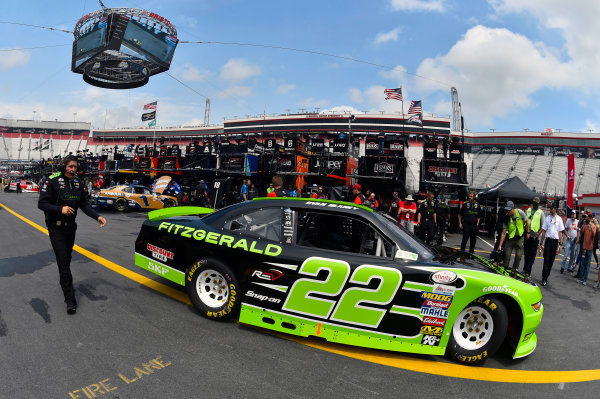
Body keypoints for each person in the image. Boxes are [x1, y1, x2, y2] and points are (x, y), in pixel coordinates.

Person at [38, 155, 107, 314]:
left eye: (75, 167)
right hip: (56, 228)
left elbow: (84, 205)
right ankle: (70, 299)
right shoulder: (52, 180)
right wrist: (60, 209)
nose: (73, 170)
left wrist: (98, 217)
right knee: (63, 263)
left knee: (66, 261)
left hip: (71, 228)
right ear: (64, 166)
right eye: (70, 167)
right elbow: (41, 204)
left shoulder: (78, 182)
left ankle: (64, 281)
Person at [498, 201, 530, 271]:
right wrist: (500, 245)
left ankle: (514, 270)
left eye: (509, 210)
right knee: (507, 254)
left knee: (518, 256)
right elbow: (503, 233)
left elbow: (527, 221)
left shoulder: (520, 212)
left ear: (513, 209)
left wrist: (528, 232)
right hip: (511, 238)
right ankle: (505, 269)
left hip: (519, 238)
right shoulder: (506, 218)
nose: (508, 212)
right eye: (507, 210)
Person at [537, 204, 564, 286]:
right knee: (546, 261)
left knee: (551, 261)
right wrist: (541, 243)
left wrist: (560, 244)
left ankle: (546, 276)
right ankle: (544, 278)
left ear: (555, 209)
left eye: (552, 208)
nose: (550, 210)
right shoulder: (547, 219)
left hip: (555, 242)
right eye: (550, 208)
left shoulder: (559, 219)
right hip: (548, 241)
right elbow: (544, 231)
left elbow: (560, 232)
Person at [523, 197, 545, 276]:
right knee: (526, 253)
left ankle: (528, 272)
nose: (535, 204)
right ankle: (525, 269)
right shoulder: (528, 210)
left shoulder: (541, 212)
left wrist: (538, 234)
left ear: (538, 204)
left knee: (531, 255)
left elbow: (543, 226)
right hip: (527, 233)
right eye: (534, 202)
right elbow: (524, 220)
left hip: (535, 236)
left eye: (536, 203)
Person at [577, 213, 596, 285]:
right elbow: (580, 231)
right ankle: (580, 278)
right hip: (584, 247)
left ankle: (585, 279)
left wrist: (591, 227)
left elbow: (594, 235)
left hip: (590, 248)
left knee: (587, 264)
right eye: (589, 217)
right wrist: (583, 223)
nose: (590, 219)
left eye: (591, 217)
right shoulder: (585, 226)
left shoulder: (593, 226)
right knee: (582, 263)